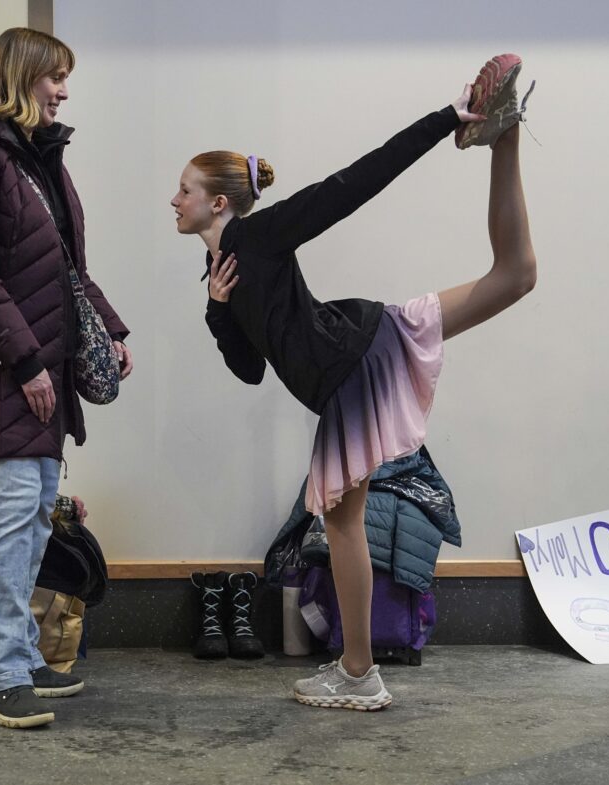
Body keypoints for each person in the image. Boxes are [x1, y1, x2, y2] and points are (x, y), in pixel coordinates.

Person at [170, 54, 536, 710]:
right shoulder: (222, 276)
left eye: (185, 190)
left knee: (342, 522)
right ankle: (505, 137)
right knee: (513, 276)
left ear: (217, 202)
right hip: (357, 349)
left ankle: (360, 671)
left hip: (352, 360)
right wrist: (220, 313)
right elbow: (252, 368)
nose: (174, 200)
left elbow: (353, 184)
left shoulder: (259, 235)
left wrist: (443, 119)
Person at [0, 27, 132, 729]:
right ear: (20, 77)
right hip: (2, 368)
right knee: (16, 510)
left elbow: (66, 267)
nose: (65, 92)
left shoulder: (35, 156)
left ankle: (16, 650)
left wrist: (108, 326)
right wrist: (24, 362)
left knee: (37, 507)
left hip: (37, 364)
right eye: (55, 78)